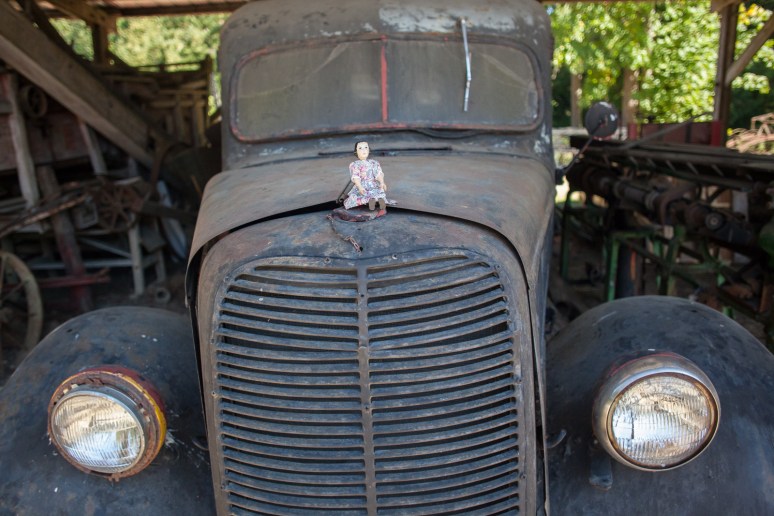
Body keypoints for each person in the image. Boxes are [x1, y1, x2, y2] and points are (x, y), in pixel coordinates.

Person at [344, 141, 387, 210]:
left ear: (369, 150)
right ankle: (371, 201)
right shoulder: (355, 164)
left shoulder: (374, 162)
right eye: (360, 148)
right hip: (362, 185)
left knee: (378, 191)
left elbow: (378, 173)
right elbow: (356, 177)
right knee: (362, 194)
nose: (364, 150)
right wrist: (360, 186)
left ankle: (378, 201)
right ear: (356, 152)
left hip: (373, 184)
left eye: (366, 147)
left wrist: (382, 182)